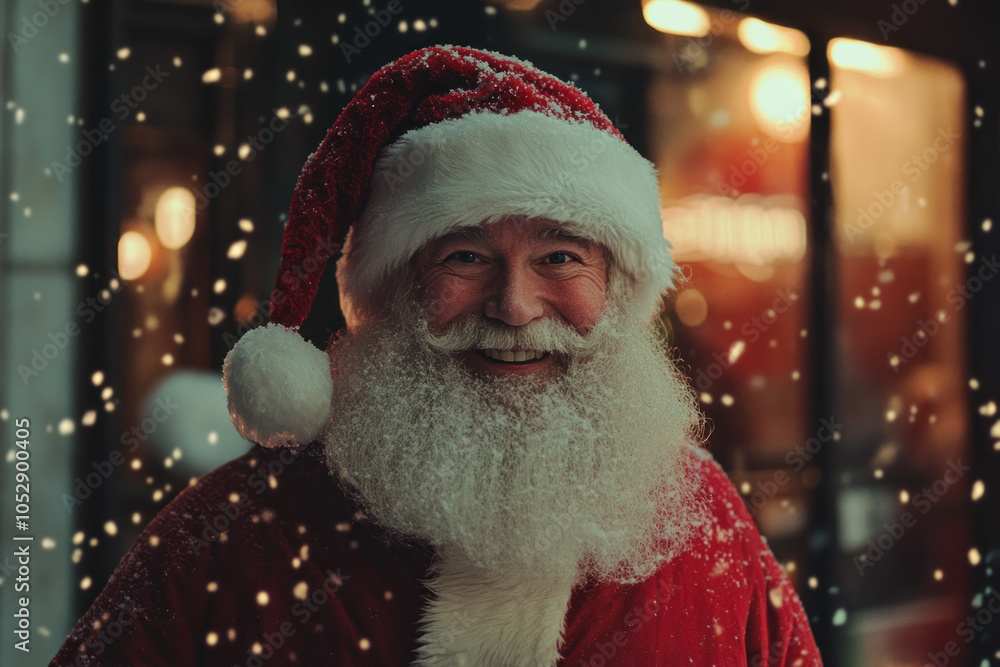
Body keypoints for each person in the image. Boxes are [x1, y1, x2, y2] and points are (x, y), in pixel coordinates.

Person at [51, 45, 822, 667]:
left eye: (559, 257)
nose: (514, 307)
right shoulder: (229, 537)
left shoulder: (705, 521)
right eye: (464, 256)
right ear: (395, 287)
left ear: (619, 289)